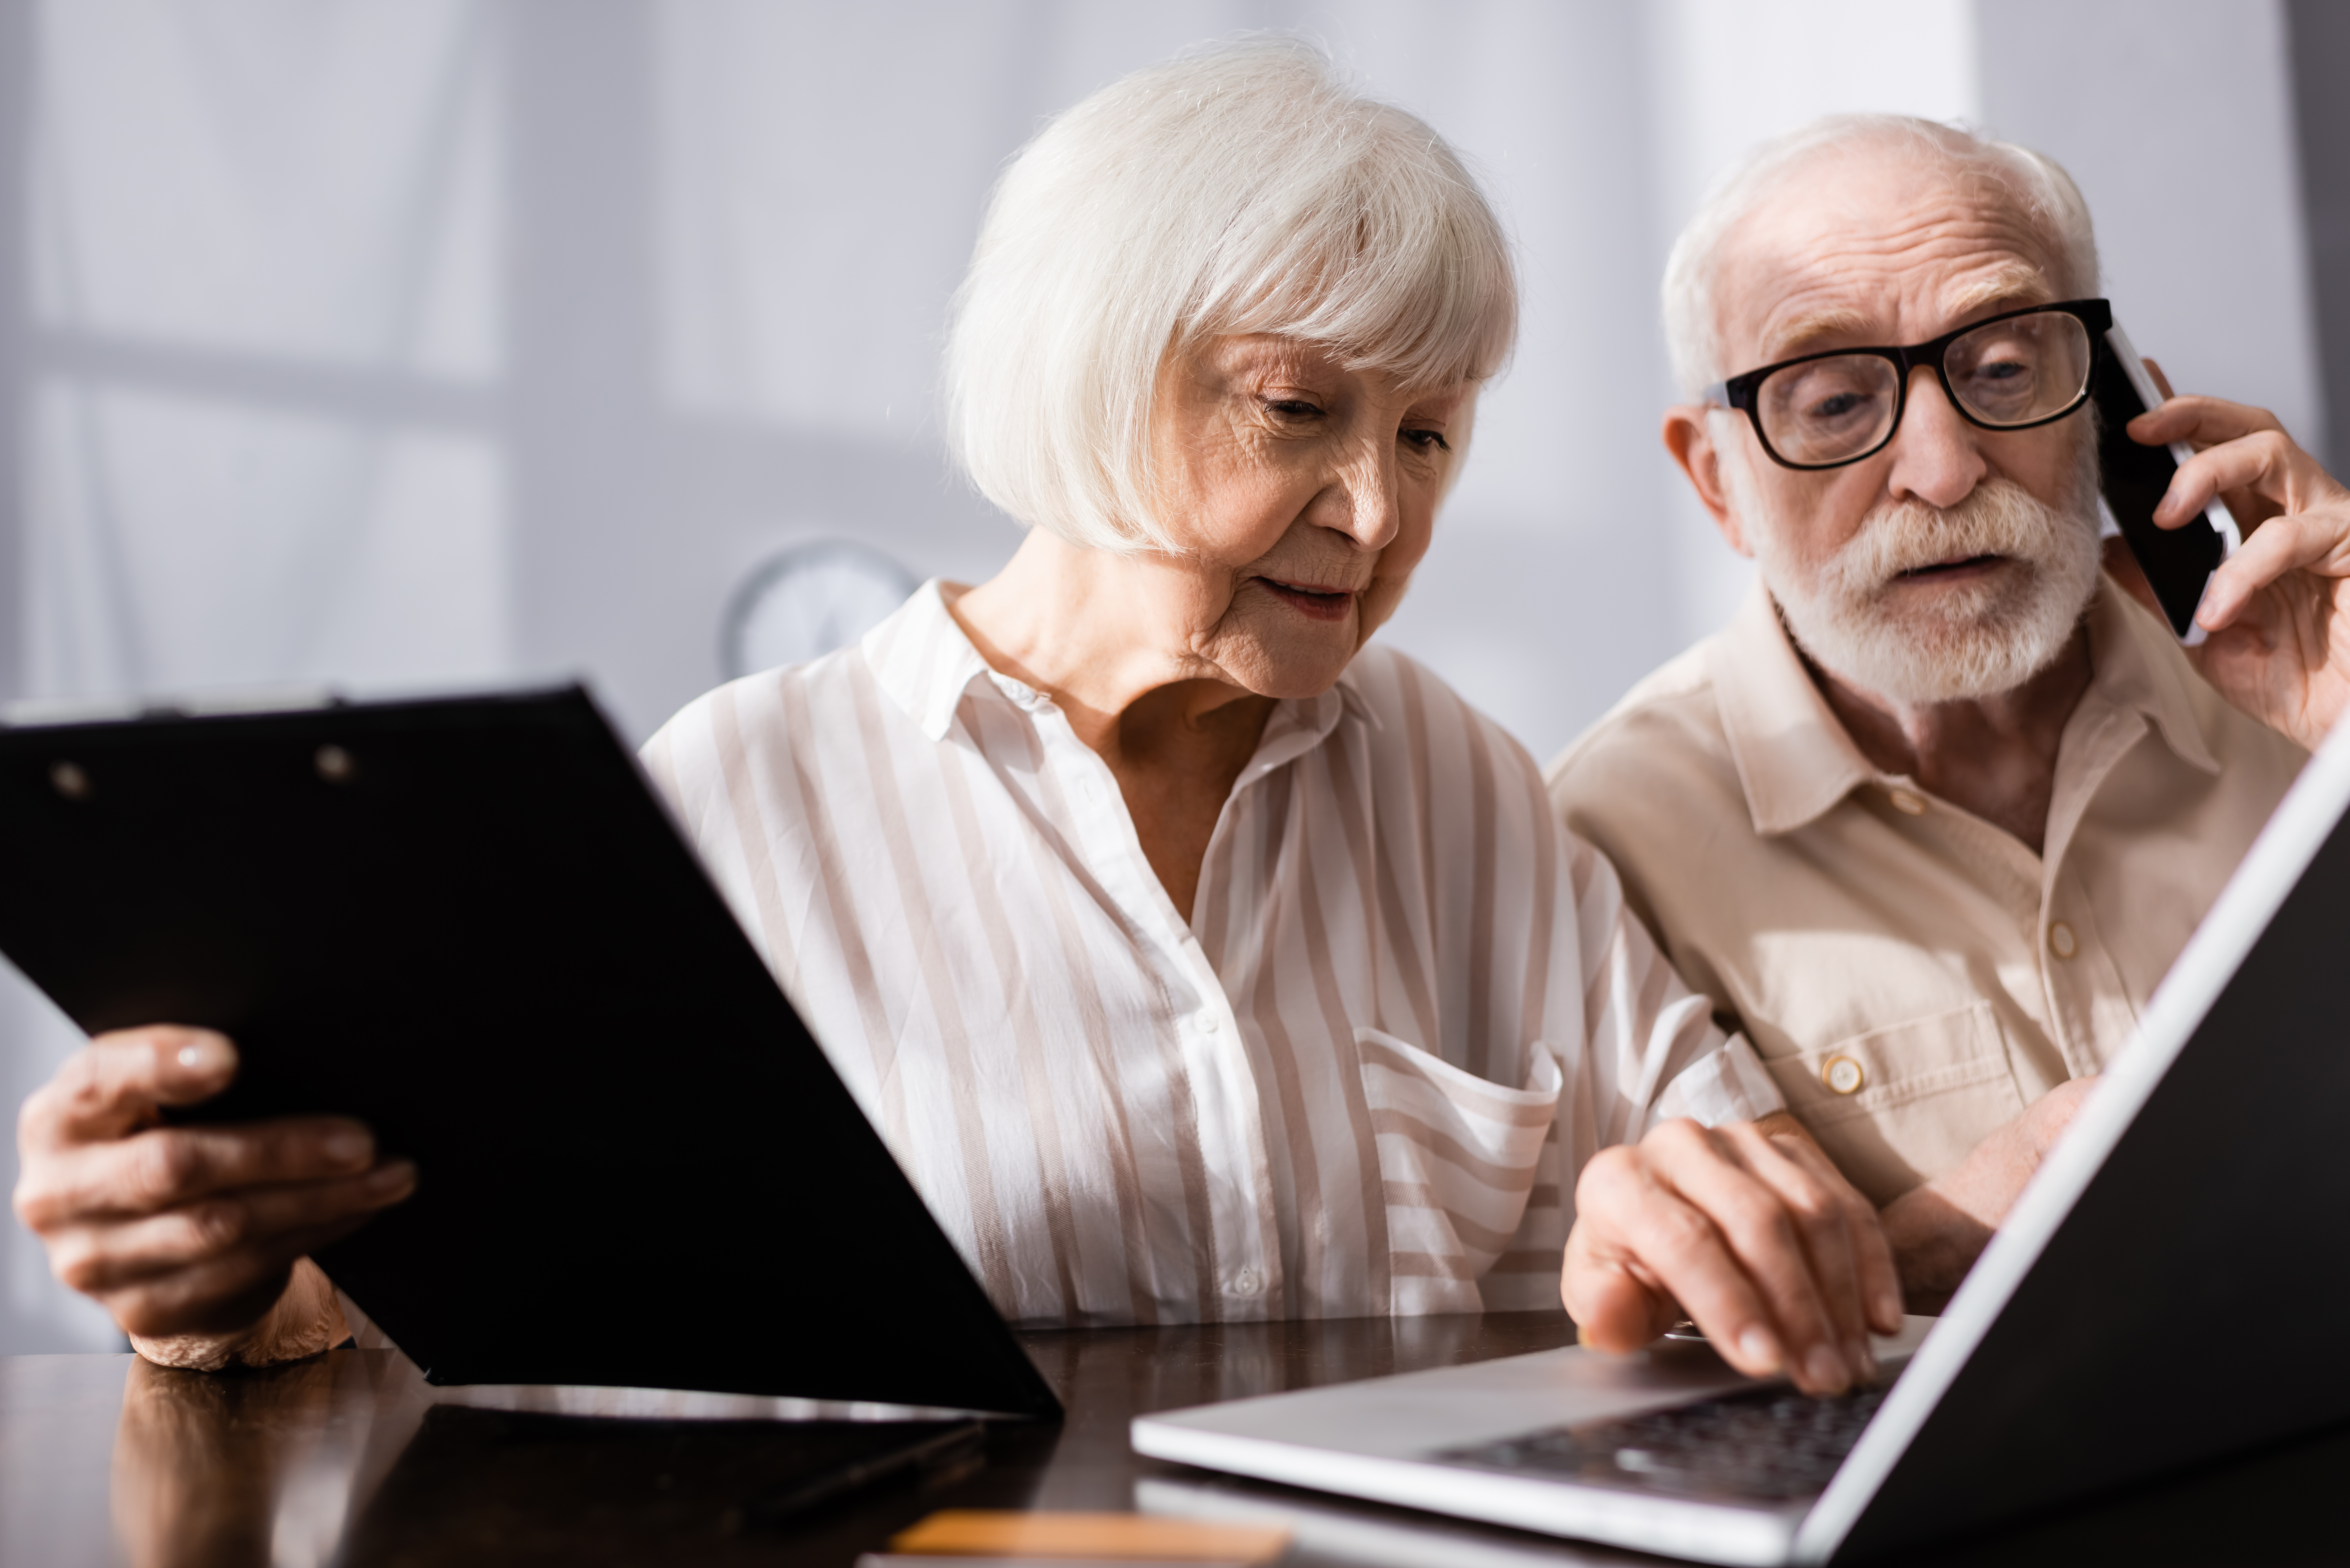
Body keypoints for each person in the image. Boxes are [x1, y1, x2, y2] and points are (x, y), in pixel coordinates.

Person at [12, 44, 1906, 1397]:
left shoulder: (1461, 782)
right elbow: (377, 1291)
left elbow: (1715, 1189)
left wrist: (1694, 1224)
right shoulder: (747, 788)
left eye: (1426, 432)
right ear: (1087, 366)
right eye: (1297, 411)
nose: (1383, 513)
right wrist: (205, 1278)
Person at [1550, 115, 2350, 1354]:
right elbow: (1640, 1354)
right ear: (1716, 480)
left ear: (2111, 402)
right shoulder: (1599, 851)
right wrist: (1948, 1235)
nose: (1939, 467)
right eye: (1829, 400)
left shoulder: (2306, 697)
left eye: (2001, 371)